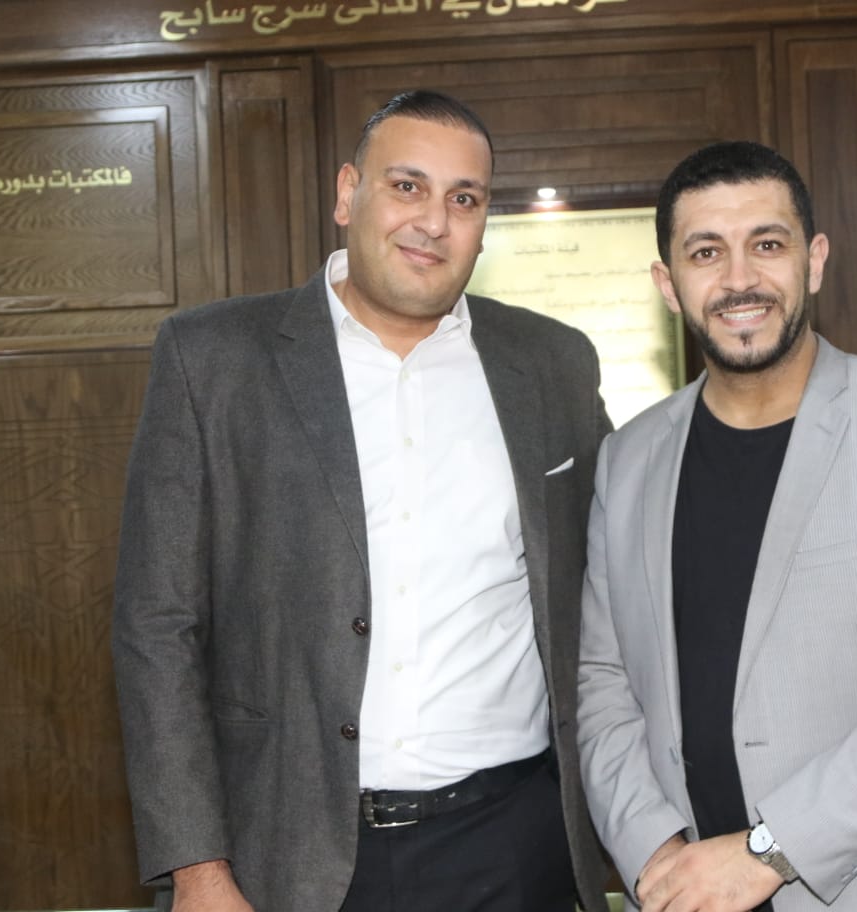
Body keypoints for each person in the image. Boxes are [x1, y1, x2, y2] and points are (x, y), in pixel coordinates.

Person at [112, 90, 611, 912]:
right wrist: (197, 868)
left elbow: (619, 581)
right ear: (348, 194)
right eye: (407, 186)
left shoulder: (553, 363)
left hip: (515, 844)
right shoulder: (215, 360)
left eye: (464, 199)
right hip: (288, 854)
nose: (434, 222)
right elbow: (156, 627)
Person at [575, 140, 857, 912]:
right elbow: (602, 682)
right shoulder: (628, 459)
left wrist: (768, 850)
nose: (739, 279)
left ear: (813, 261)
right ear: (668, 284)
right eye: (706, 252)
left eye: (768, 244)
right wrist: (656, 850)